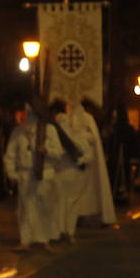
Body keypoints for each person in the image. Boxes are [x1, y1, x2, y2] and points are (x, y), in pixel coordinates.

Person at [3, 105, 62, 250]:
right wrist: (12, 174)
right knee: (25, 207)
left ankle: (44, 239)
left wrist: (46, 151)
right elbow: (10, 155)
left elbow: (58, 152)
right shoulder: (18, 132)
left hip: (45, 173)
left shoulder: (49, 131)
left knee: (45, 207)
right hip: (25, 174)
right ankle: (25, 240)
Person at [49, 99, 92, 242]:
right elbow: (89, 155)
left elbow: (87, 155)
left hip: (65, 173)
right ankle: (65, 231)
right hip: (67, 173)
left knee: (64, 203)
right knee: (67, 203)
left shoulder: (68, 136)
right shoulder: (67, 135)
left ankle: (63, 231)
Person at [71, 100, 117, 226]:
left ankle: (87, 215)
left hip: (88, 160)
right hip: (78, 159)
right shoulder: (71, 117)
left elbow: (93, 137)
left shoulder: (87, 118)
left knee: (89, 190)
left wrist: (79, 136)